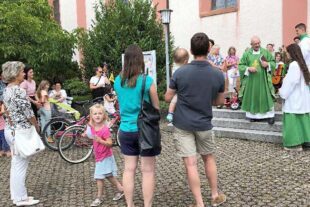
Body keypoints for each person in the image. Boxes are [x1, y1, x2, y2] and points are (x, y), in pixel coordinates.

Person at [165, 32, 226, 207]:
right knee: (209, 158)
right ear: (209, 48)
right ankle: (215, 195)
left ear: (191, 50)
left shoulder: (180, 73)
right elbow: (220, 102)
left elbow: (168, 98)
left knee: (191, 164)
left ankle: (199, 203)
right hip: (204, 123)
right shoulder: (217, 74)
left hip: (183, 123)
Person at [114, 44, 160, 207]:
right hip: (145, 131)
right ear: (141, 60)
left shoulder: (118, 81)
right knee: (147, 171)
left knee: (129, 169)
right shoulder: (147, 81)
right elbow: (156, 107)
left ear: (125, 61)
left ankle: (130, 204)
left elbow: (121, 102)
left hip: (125, 130)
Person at [2, 61, 40, 206]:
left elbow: (7, 111)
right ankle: (20, 199)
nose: (24, 73)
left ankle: (18, 196)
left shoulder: (6, 90)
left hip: (11, 130)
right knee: (20, 165)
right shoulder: (18, 91)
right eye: (22, 71)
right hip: (20, 131)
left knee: (16, 164)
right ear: (15, 73)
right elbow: (28, 112)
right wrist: (36, 125)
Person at [86, 104, 124, 206]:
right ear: (91, 116)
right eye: (95, 114)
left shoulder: (105, 129)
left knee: (99, 177)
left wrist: (100, 141)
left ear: (104, 115)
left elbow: (110, 143)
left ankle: (99, 198)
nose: (97, 115)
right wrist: (86, 132)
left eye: (100, 113)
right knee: (109, 175)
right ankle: (121, 189)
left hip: (105, 156)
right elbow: (90, 132)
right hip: (99, 156)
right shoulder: (93, 127)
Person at [279, 43, 310, 151]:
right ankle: (305, 141)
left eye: (287, 52)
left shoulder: (294, 65)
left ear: (291, 53)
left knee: (293, 119)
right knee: (302, 119)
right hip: (302, 97)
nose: (286, 54)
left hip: (294, 97)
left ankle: (294, 144)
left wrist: (282, 92)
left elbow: (291, 82)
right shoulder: (302, 64)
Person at [238, 36, 276, 124]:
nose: (257, 45)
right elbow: (240, 66)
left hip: (263, 80)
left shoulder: (265, 52)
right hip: (251, 81)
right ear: (251, 44)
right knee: (253, 96)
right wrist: (248, 68)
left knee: (266, 96)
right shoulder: (246, 54)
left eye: (259, 43)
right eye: (255, 44)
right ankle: (253, 116)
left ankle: (270, 116)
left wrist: (268, 64)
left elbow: (273, 62)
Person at [166, 48, 189, 125]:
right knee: (175, 100)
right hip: (182, 90)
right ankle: (171, 113)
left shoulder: (174, 67)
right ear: (185, 61)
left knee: (173, 101)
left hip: (177, 89)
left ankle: (170, 113)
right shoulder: (184, 69)